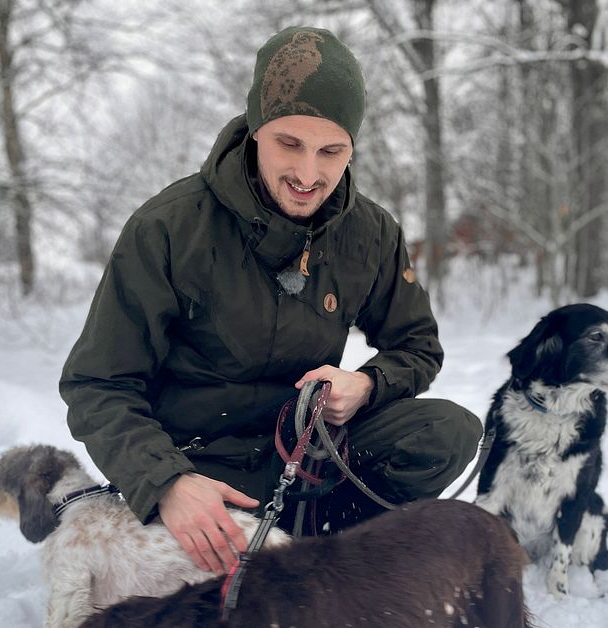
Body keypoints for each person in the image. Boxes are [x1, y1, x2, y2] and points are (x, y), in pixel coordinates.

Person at [59, 26, 480, 576]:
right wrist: (166, 482)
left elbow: (418, 346)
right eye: (289, 144)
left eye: (331, 151)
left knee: (448, 431)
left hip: (311, 457)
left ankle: (337, 554)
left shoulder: (371, 232)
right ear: (257, 130)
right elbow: (98, 384)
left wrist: (367, 385)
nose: (309, 175)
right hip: (202, 469)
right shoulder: (168, 227)